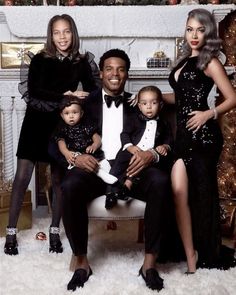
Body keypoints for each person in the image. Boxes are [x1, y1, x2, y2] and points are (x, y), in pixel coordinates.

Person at [49, 49, 171, 292]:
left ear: (127, 74)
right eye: (109, 69)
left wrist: (153, 154)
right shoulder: (83, 103)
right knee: (70, 186)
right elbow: (54, 142)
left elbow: (163, 132)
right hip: (95, 166)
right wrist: (76, 157)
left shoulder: (139, 102)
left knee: (160, 181)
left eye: (121, 69)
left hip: (132, 168)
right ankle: (82, 262)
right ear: (100, 73)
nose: (115, 74)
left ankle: (149, 264)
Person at [4, 14, 98, 256]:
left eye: (66, 32)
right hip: (35, 123)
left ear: (73, 33)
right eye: (57, 33)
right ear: (51, 35)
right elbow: (34, 91)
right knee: (22, 177)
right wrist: (65, 94)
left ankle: (55, 230)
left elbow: (94, 90)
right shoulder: (40, 60)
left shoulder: (81, 62)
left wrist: (83, 96)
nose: (62, 37)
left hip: (60, 128)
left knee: (58, 180)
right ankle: (11, 232)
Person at [165, 8, 236, 272]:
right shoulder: (184, 60)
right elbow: (182, 99)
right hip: (184, 136)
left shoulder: (211, 61)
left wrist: (209, 113)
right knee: (180, 192)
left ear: (209, 32)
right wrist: (157, 99)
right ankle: (189, 251)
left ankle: (203, 253)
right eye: (190, 29)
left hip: (204, 137)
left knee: (202, 194)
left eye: (200, 29)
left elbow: (232, 97)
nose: (194, 35)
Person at [105, 85, 173, 210]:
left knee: (141, 168)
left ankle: (126, 188)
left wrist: (165, 146)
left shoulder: (164, 123)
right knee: (118, 166)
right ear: (139, 106)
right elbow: (124, 134)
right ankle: (110, 193)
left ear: (161, 105)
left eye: (153, 103)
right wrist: (129, 146)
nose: (149, 106)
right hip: (131, 151)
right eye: (144, 103)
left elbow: (168, 139)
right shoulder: (133, 120)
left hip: (147, 155)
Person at [54, 96, 117, 184]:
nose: (71, 116)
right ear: (62, 115)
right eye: (67, 113)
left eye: (75, 112)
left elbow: (97, 138)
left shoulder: (86, 125)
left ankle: (113, 183)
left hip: (92, 153)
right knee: (89, 166)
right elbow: (61, 143)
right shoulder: (62, 129)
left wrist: (94, 145)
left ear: (81, 113)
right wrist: (66, 153)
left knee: (107, 167)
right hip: (77, 155)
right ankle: (100, 173)